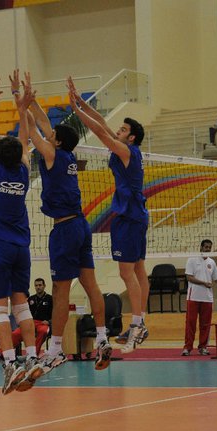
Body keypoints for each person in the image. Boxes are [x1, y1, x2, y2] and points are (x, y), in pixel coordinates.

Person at [18, 73, 109, 382]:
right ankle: (102, 338)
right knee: (91, 284)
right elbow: (45, 125)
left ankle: (55, 349)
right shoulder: (66, 154)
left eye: (53, 135)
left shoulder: (52, 153)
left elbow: (33, 130)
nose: (50, 134)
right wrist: (33, 102)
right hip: (81, 225)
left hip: (65, 229)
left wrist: (22, 105)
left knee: (60, 291)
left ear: (56, 141)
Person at [67, 77, 149, 353]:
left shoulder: (126, 151)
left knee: (127, 272)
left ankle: (136, 325)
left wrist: (77, 113)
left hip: (129, 216)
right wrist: (81, 102)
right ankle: (140, 321)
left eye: (123, 129)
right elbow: (103, 124)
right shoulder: (128, 149)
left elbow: (100, 131)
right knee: (138, 269)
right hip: (136, 214)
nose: (118, 130)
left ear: (131, 137)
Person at [0, 72, 38, 394]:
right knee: (21, 305)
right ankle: (33, 357)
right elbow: (25, 137)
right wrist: (21, 106)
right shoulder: (24, 170)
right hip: (21, 248)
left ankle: (11, 363)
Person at [183, 239, 217, 356]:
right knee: (190, 323)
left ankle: (203, 347)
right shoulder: (192, 259)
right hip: (193, 297)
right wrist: (204, 283)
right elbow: (189, 278)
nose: (207, 249)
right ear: (201, 247)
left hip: (207, 298)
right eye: (206, 247)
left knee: (205, 324)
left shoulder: (212, 262)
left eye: (209, 247)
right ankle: (187, 348)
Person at [13, 277, 51, 354]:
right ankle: (1, 353)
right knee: (15, 333)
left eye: (40, 285)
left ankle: (33, 354)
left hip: (43, 323)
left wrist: (49, 322)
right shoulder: (31, 299)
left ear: (44, 286)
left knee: (43, 331)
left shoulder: (50, 299)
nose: (38, 287)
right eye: (36, 285)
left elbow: (55, 315)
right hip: (30, 322)